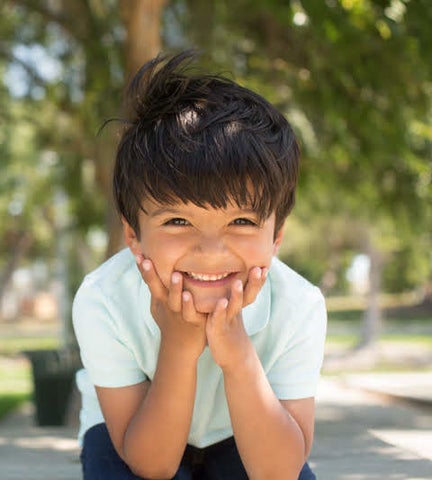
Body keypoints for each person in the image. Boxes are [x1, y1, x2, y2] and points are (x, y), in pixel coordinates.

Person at [72, 49, 327, 480]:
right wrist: (178, 345)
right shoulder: (103, 299)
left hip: (241, 433)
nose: (211, 251)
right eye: (177, 220)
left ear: (277, 235)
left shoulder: (298, 306)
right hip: (135, 432)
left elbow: (282, 470)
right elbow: (150, 464)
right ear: (133, 234)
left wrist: (240, 357)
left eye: (242, 221)